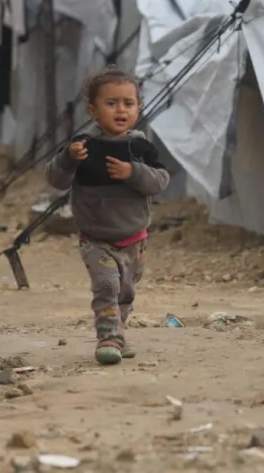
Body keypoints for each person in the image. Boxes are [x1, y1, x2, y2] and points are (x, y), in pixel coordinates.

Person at [45, 67, 170, 365]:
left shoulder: (139, 146)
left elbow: (161, 181)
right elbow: (56, 181)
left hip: (134, 239)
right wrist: (67, 158)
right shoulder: (83, 146)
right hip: (96, 238)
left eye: (128, 103)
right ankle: (108, 337)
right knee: (106, 287)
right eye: (111, 103)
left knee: (125, 292)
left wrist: (133, 172)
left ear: (138, 108)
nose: (121, 110)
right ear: (93, 109)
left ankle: (119, 331)